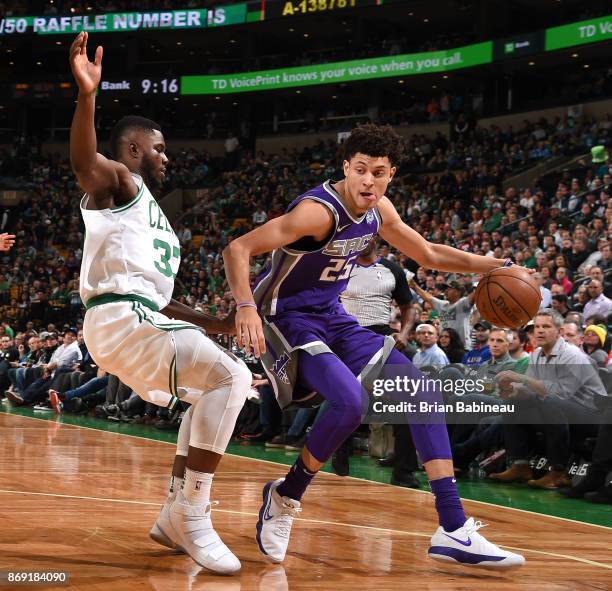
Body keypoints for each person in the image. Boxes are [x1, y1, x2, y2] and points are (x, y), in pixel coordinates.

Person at [223, 123, 525, 567]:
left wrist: (492, 265)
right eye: (360, 170)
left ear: (390, 175)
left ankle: (454, 528)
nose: (368, 181)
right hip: (287, 319)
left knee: (422, 393)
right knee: (348, 403)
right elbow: (238, 248)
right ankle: (286, 497)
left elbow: (429, 254)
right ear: (345, 168)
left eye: (378, 172)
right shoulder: (317, 213)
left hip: (334, 317)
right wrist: (245, 306)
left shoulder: (379, 209)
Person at [69, 32, 251, 575]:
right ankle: (192, 514)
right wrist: (86, 97)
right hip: (121, 317)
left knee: (209, 390)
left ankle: (175, 511)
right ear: (133, 150)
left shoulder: (153, 214)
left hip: (137, 316)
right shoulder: (120, 180)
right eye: (160, 147)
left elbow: (164, 304)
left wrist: (219, 323)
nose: (167, 156)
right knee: (232, 381)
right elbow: (83, 162)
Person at [334, 235, 419, 485]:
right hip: (345, 336)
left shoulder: (392, 269)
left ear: (376, 239)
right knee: (347, 400)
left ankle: (404, 469)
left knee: (408, 397)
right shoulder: (339, 266)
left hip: (380, 336)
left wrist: (404, 333)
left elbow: (408, 306)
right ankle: (340, 448)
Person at [490, 311, 606, 489]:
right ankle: (520, 465)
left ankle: (558, 472)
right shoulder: (536, 354)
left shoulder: (573, 356)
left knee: (550, 401)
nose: (540, 331)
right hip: (557, 409)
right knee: (513, 403)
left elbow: (560, 394)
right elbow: (530, 389)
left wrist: (522, 380)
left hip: (592, 415)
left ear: (559, 331)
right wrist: (513, 390)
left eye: (546, 326)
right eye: (537, 327)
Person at [411, 280, 475, 348]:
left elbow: (475, 295)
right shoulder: (442, 305)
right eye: (445, 289)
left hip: (461, 347)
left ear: (458, 292)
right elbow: (428, 298)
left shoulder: (463, 303)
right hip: (444, 347)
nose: (446, 291)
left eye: (449, 289)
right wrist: (415, 286)